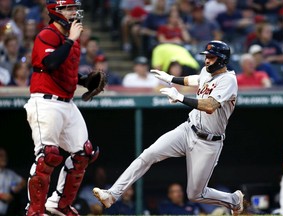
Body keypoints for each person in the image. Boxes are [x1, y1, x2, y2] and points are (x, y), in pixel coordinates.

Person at [93, 40, 244, 215]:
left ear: (222, 59)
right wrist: (171, 79)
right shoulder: (206, 71)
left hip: (209, 142)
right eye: (206, 56)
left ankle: (233, 200)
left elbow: (210, 105)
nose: (207, 60)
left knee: (195, 194)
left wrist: (180, 97)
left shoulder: (229, 80)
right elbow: (197, 79)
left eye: (211, 57)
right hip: (188, 129)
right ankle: (112, 194)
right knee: (148, 154)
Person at [24, 0, 99, 215]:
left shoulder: (69, 41)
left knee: (84, 153)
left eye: (74, 8)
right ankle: (35, 210)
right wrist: (71, 40)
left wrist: (85, 81)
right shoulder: (47, 34)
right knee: (48, 155)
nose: (74, 12)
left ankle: (58, 204)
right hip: (45, 102)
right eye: (68, 8)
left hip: (67, 102)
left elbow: (65, 74)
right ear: (55, 12)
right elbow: (50, 64)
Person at [0, 147, 26, 216]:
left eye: (5, 156)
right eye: (1, 156)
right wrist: (1, 196)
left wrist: (18, 187)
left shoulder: (10, 174)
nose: (4, 158)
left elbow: (23, 181)